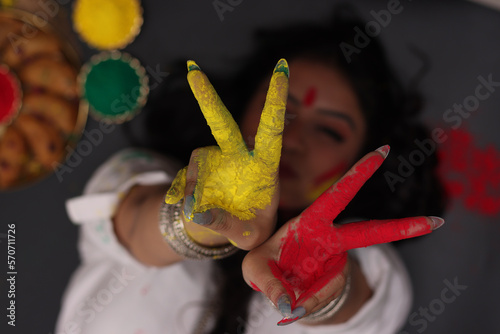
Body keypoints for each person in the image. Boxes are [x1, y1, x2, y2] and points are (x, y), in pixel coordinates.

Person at [56, 5, 446, 334]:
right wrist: (206, 220)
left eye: (329, 130)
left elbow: (357, 309)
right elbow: (135, 224)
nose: (292, 139)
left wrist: (316, 278)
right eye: (284, 109)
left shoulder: (371, 265)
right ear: (242, 105)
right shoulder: (146, 175)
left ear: (362, 153)